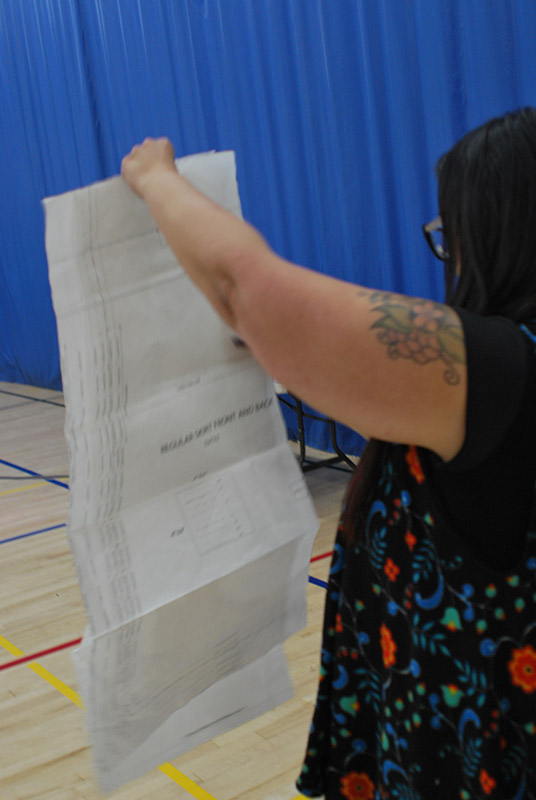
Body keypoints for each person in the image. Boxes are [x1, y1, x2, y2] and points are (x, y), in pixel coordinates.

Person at [122, 107, 536, 799]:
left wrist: (157, 179)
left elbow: (248, 290)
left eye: (450, 235)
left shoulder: (499, 369)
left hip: (471, 744)